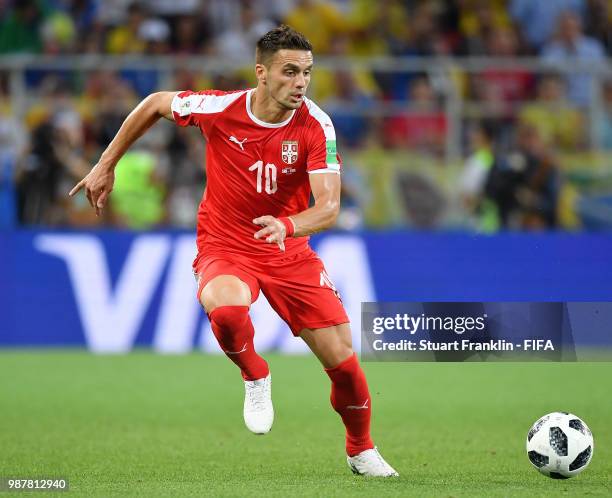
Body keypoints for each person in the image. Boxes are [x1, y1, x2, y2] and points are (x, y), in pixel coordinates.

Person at [69, 25, 398, 478]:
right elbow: (155, 104)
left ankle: (361, 450)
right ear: (261, 73)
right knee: (224, 310)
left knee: (344, 363)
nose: (300, 83)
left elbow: (329, 207)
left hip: (288, 249)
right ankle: (255, 375)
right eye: (289, 72)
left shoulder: (316, 126)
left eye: (306, 73)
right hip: (226, 244)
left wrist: (287, 225)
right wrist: (106, 164)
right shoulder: (221, 108)